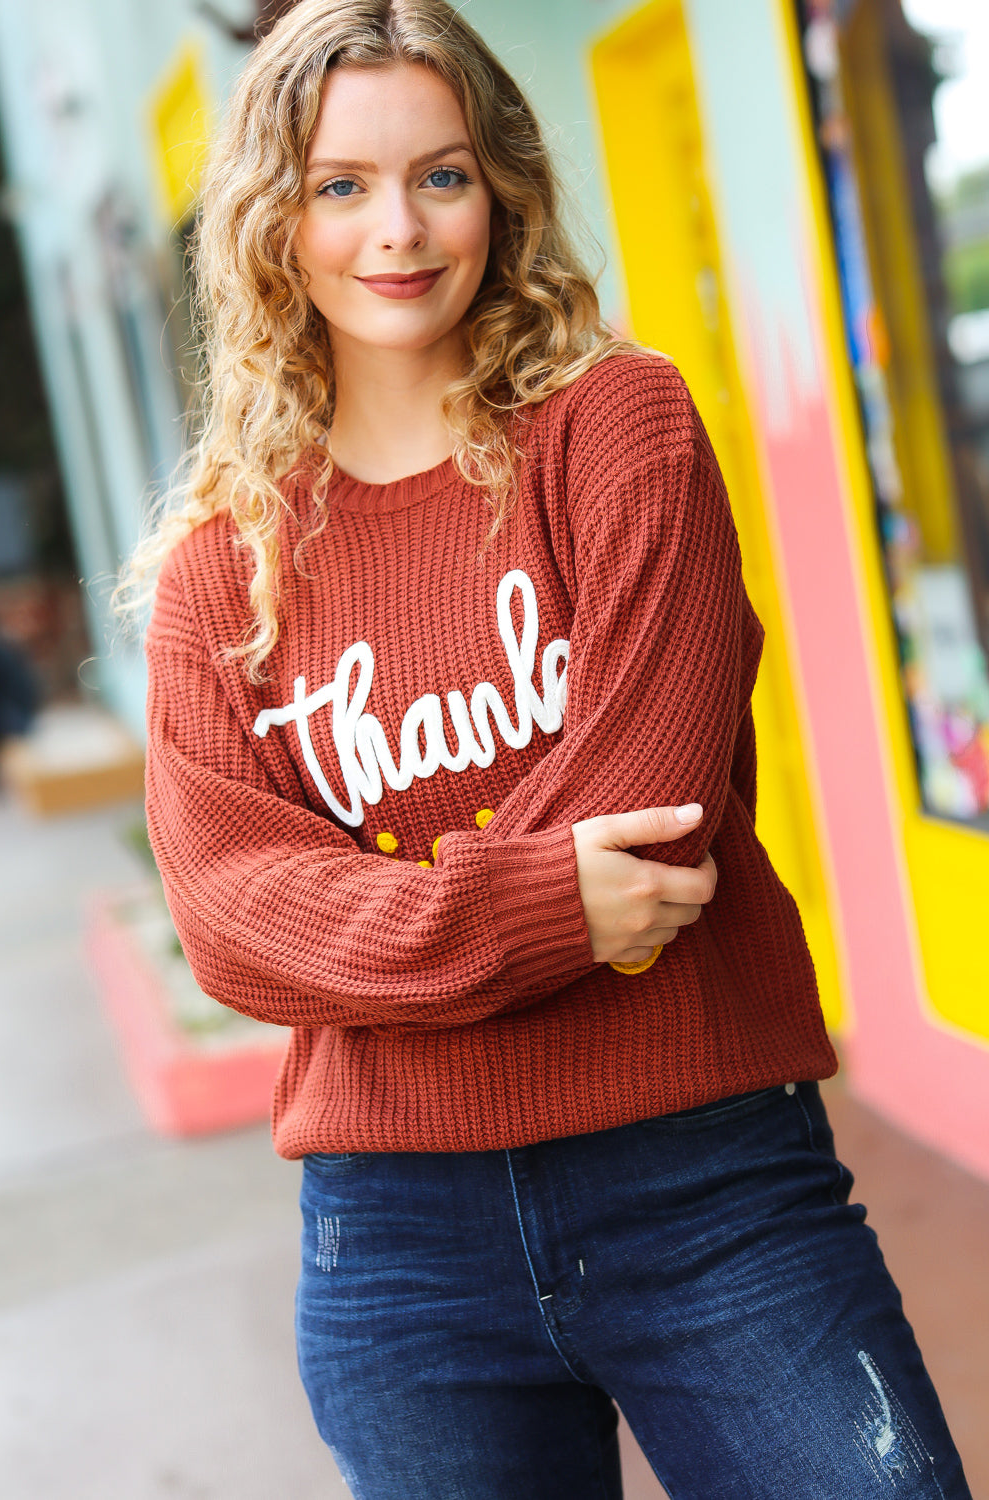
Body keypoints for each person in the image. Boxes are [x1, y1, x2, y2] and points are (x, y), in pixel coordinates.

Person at [131, 2, 973, 1495]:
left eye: (441, 176)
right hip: (398, 1245)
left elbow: (649, 830)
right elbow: (236, 916)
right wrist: (532, 904)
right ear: (273, 223)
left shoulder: (618, 429)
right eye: (342, 187)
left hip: (707, 1182)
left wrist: (382, 931)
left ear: (501, 189)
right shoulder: (220, 569)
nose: (398, 228)